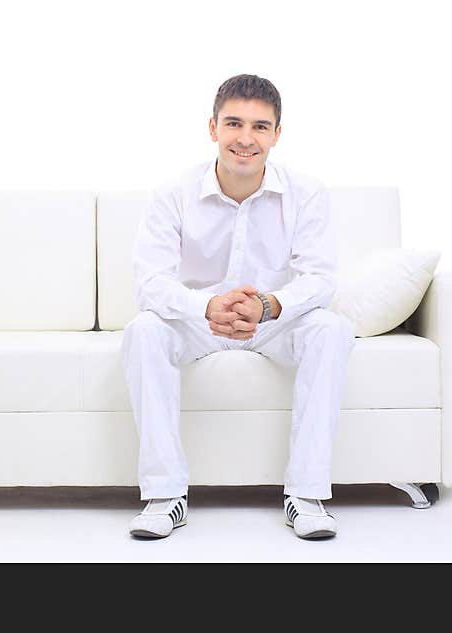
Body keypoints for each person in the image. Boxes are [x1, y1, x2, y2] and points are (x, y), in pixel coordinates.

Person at [123, 74, 355, 540]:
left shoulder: (306, 192)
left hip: (272, 323)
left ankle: (305, 495)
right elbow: (150, 283)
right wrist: (206, 306)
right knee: (144, 330)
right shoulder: (173, 193)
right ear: (212, 128)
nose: (245, 139)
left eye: (260, 126)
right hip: (196, 321)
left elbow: (319, 278)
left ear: (276, 134)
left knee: (331, 329)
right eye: (233, 123)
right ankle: (166, 495)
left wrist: (269, 305)